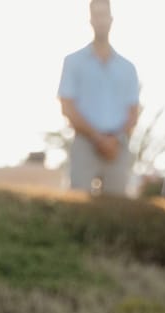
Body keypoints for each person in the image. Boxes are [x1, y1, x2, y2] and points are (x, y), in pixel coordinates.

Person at [58, 0, 140, 197]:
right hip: (85, 144)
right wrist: (97, 138)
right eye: (97, 15)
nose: (101, 20)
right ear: (90, 19)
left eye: (104, 15)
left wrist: (114, 140)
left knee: (117, 209)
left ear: (111, 19)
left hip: (117, 147)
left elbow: (133, 111)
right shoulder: (73, 62)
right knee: (78, 205)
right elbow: (67, 106)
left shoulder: (127, 67)